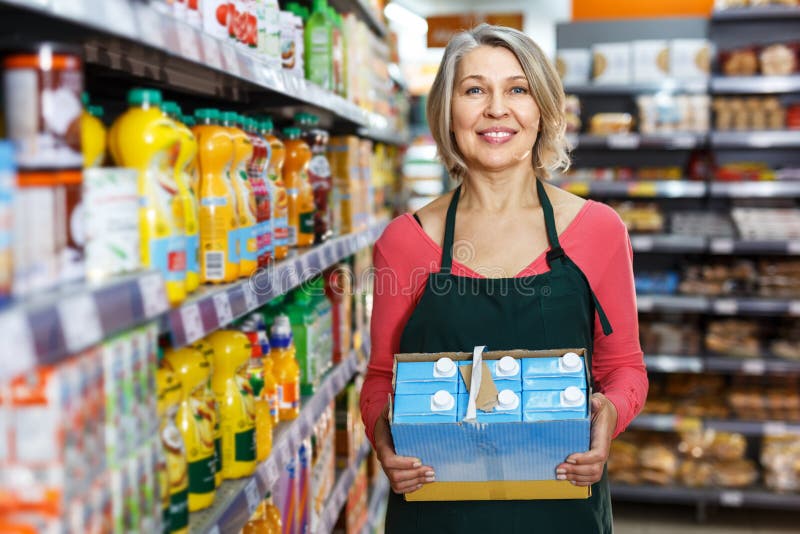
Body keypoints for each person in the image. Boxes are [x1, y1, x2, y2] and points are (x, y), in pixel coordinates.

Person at [360, 24, 648, 533]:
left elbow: (624, 367)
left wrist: (609, 415)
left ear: (543, 109)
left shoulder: (598, 231)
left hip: (562, 508)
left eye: (517, 89)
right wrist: (383, 438)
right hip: (437, 512)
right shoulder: (404, 242)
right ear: (448, 113)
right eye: (475, 90)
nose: (497, 109)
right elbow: (382, 379)